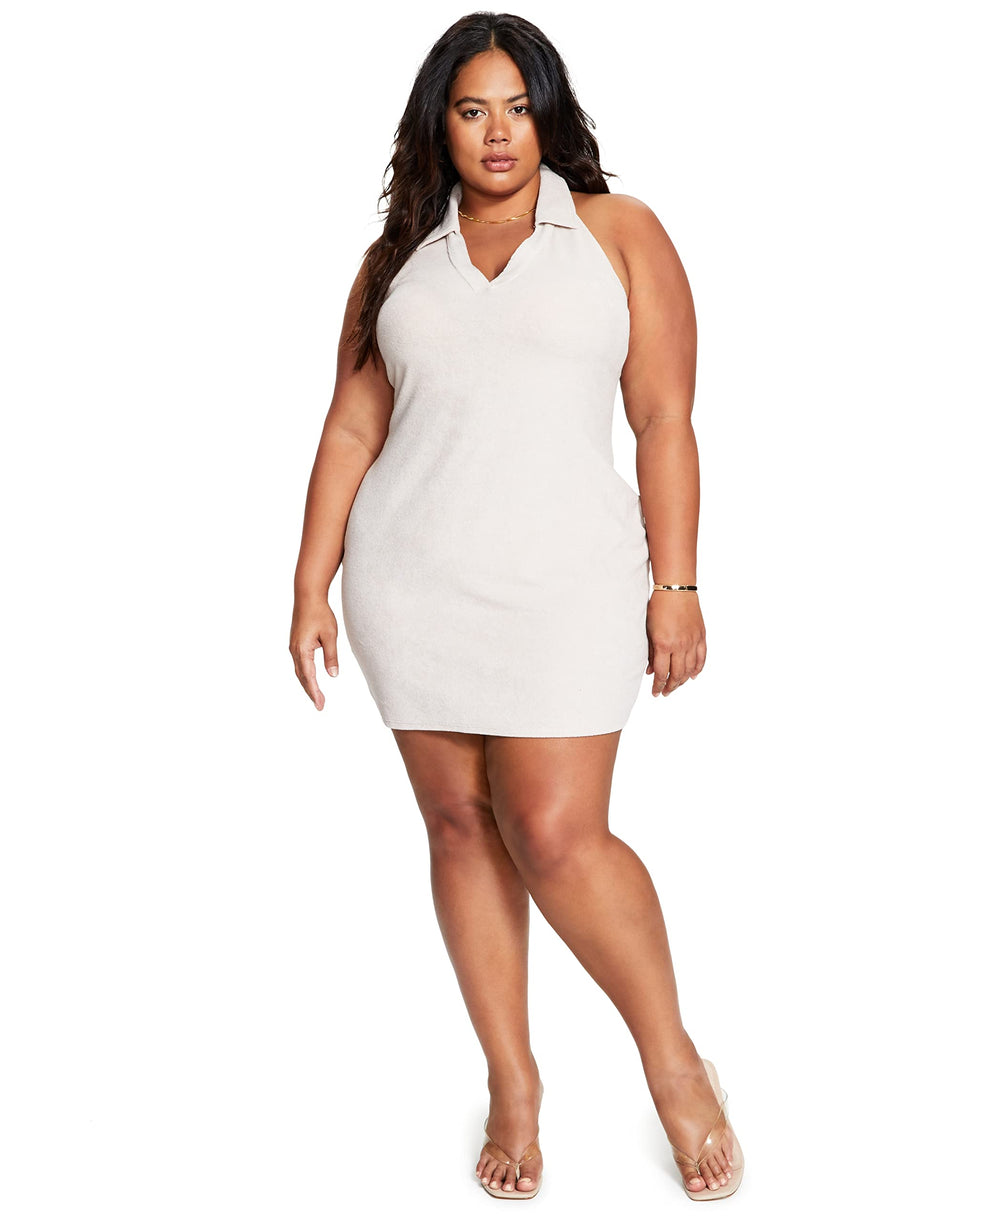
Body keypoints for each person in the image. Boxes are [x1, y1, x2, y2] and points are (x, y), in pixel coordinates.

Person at [289, 11, 744, 1203]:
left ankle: (673, 1063)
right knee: (457, 827)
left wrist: (677, 583)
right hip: (412, 582)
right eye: (470, 109)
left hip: (566, 586)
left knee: (555, 833)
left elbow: (663, 418)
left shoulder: (616, 231)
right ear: (437, 125)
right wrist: (308, 583)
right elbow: (350, 428)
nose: (497, 132)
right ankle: (512, 1082)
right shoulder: (397, 257)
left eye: (516, 106)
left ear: (548, 113)